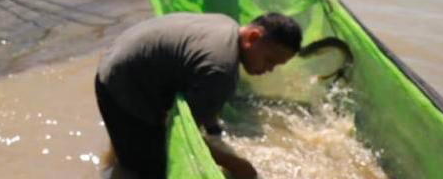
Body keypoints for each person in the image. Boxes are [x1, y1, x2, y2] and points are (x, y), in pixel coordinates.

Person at [96, 11, 303, 179]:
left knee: (129, 151)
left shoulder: (226, 23)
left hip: (118, 56)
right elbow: (187, 137)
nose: (269, 69)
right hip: (120, 86)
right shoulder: (221, 69)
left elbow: (203, 88)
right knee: (150, 169)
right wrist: (238, 165)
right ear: (253, 37)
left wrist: (213, 130)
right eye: (269, 60)